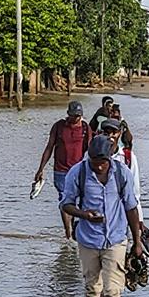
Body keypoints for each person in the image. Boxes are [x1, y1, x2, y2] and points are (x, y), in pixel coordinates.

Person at [60, 136, 143, 297]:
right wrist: (84, 214)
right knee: (92, 289)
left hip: (115, 239)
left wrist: (137, 241)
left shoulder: (121, 173)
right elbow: (66, 203)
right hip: (88, 240)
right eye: (95, 162)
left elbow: (131, 207)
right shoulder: (78, 173)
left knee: (112, 291)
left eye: (102, 163)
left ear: (109, 159)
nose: (98, 167)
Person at [34, 101, 91, 239]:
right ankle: (68, 233)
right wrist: (41, 169)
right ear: (68, 114)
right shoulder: (58, 126)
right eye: (73, 116)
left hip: (78, 170)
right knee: (64, 199)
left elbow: (90, 149)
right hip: (60, 170)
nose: (76, 119)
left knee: (79, 201)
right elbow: (49, 147)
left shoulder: (85, 128)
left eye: (78, 116)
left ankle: (74, 229)